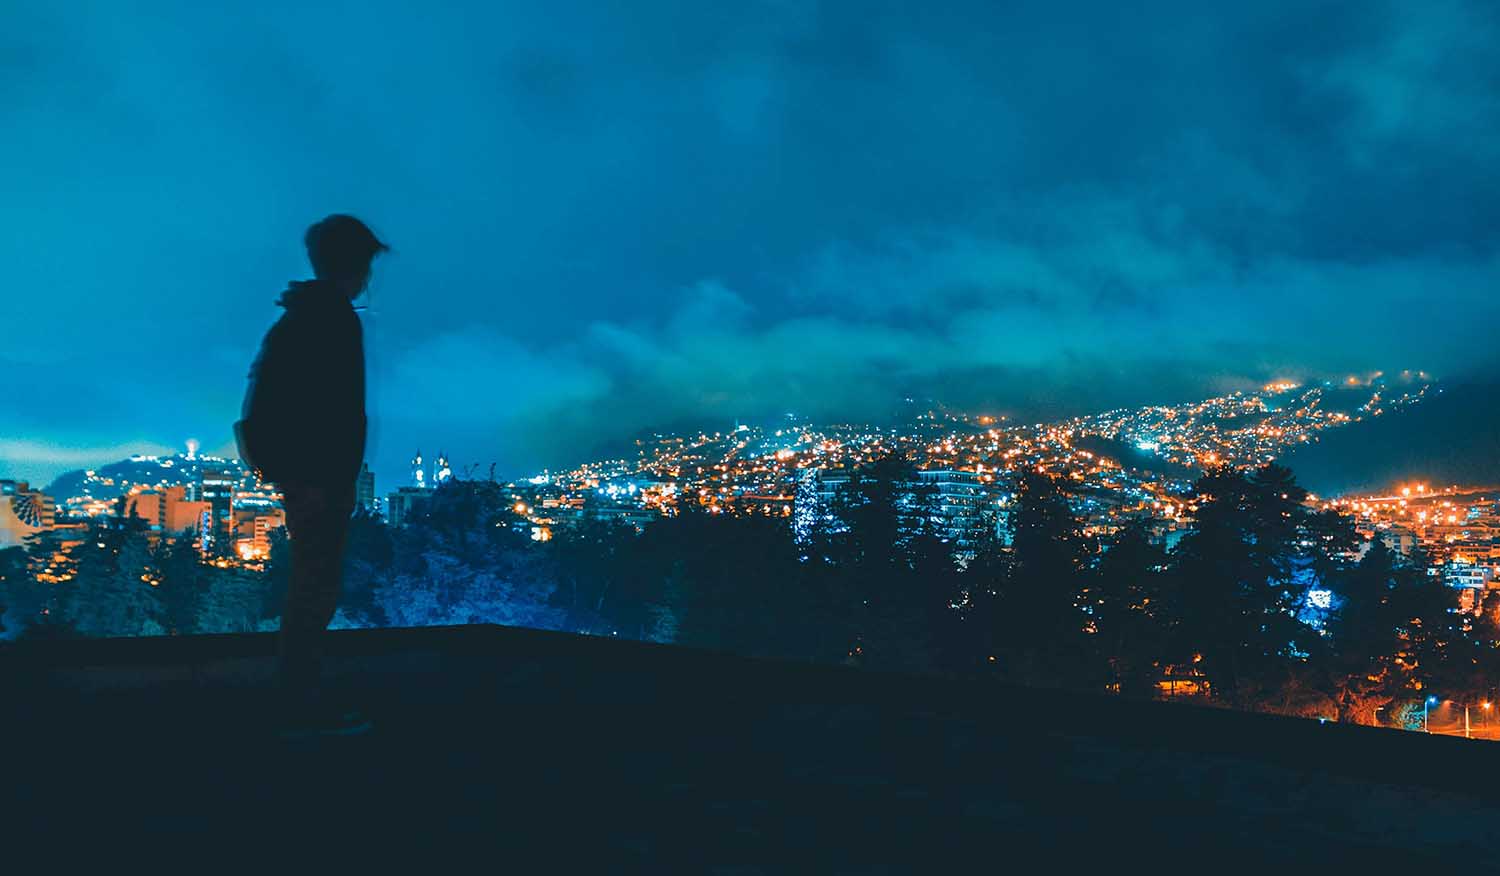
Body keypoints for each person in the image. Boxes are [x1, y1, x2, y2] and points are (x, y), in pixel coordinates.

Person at [238, 214, 387, 736]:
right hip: (319, 481)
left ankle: (297, 699)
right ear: (358, 263)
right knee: (314, 592)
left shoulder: (298, 317)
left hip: (304, 479)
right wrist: (325, 481)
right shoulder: (333, 320)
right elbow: (336, 411)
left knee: (308, 588)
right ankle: (300, 706)